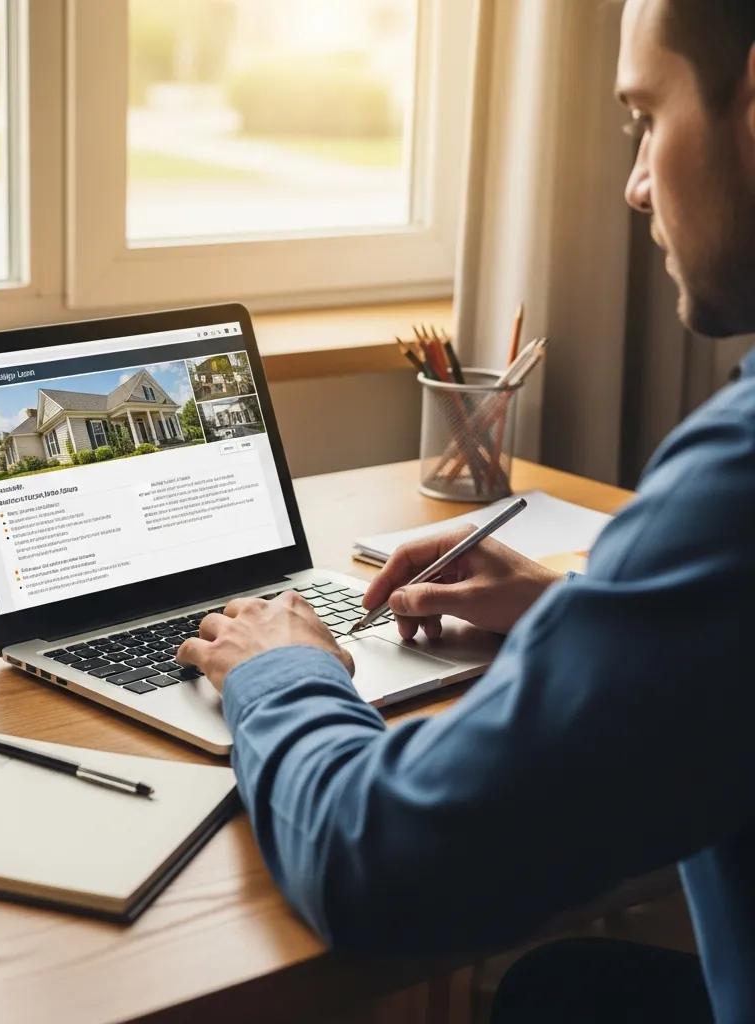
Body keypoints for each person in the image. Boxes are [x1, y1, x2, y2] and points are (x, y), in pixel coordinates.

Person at [174, 1, 755, 1020]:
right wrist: (581, 616)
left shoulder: (737, 478)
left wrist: (279, 670)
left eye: (646, 119)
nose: (631, 184)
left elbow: (380, 859)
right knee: (562, 988)